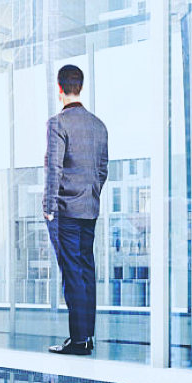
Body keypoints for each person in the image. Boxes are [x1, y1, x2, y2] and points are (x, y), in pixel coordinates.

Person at [44, 64, 108, 356]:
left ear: (60, 89)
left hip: (66, 210)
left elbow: (54, 168)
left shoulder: (58, 123)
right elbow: (102, 170)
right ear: (79, 86)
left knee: (72, 274)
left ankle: (78, 340)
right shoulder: (98, 125)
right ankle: (87, 336)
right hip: (89, 209)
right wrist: (91, 195)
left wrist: (48, 205)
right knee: (85, 272)